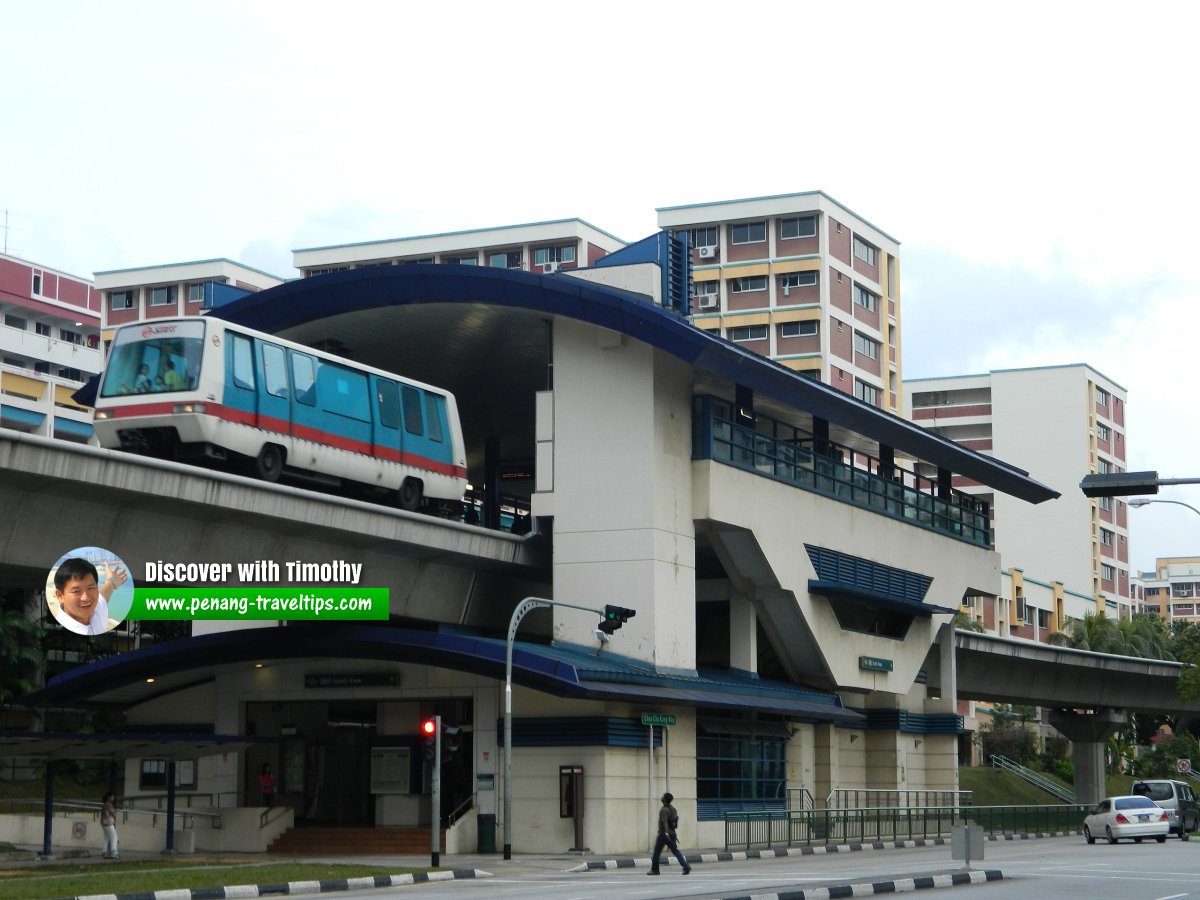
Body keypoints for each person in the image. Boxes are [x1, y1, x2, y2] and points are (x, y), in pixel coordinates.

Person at [51, 558, 128, 636]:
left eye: (90, 588)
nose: (86, 598)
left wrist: (111, 582)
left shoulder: (96, 610)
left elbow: (103, 595)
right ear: (60, 596)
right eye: (76, 591)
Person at [647, 791, 690, 875]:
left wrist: (666, 834)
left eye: (663, 797)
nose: (661, 797)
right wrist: (671, 832)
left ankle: (655, 869)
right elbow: (675, 823)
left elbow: (665, 823)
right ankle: (686, 866)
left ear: (665, 800)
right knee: (676, 851)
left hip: (664, 834)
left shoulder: (664, 810)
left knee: (656, 852)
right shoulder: (673, 809)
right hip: (673, 833)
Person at [100, 791, 119, 859]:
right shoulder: (109, 805)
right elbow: (113, 813)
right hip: (109, 823)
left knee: (107, 838)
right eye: (112, 797)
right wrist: (114, 816)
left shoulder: (105, 804)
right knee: (114, 838)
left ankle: (104, 852)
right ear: (108, 797)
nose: (113, 798)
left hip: (104, 823)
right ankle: (113, 852)